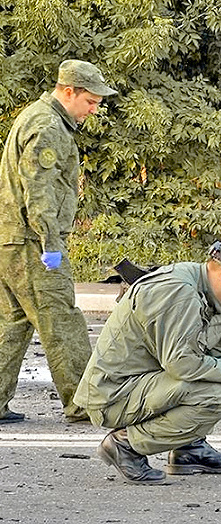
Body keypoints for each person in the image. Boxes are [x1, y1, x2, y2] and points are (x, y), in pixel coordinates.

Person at [74, 239, 221, 484]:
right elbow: (183, 364)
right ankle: (125, 445)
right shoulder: (179, 292)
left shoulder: (208, 293)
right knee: (214, 396)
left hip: (141, 384)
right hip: (113, 395)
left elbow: (218, 355)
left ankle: (189, 449)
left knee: (212, 380)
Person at [0, 60, 118, 424]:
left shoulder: (37, 117)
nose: (94, 109)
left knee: (13, 323)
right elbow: (40, 191)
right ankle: (85, 404)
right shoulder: (48, 126)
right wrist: (50, 243)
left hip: (12, 240)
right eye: (91, 101)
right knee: (62, 320)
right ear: (69, 92)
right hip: (33, 242)